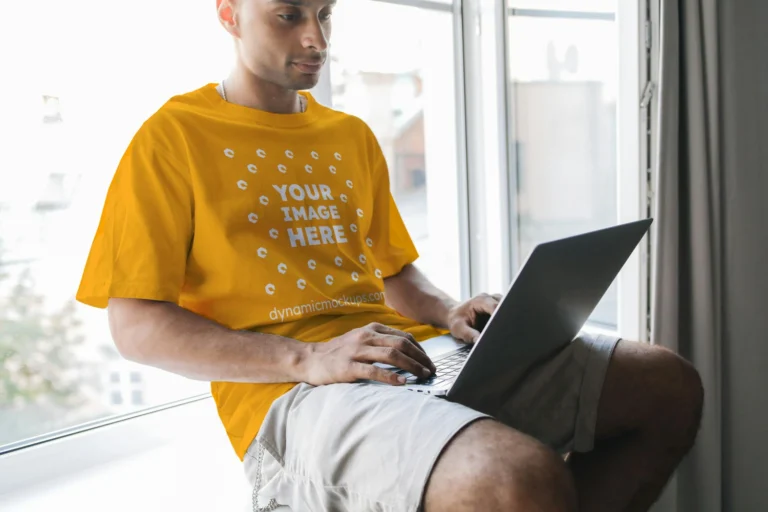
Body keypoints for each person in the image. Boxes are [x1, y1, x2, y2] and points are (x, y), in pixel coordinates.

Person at [76, 0, 704, 510]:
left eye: (326, 13)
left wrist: (450, 310)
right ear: (229, 13)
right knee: (518, 479)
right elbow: (136, 327)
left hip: (407, 355)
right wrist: (310, 356)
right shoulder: (172, 138)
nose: (316, 37)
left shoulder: (348, 135)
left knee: (666, 386)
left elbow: (395, 273)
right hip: (292, 394)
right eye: (289, 15)